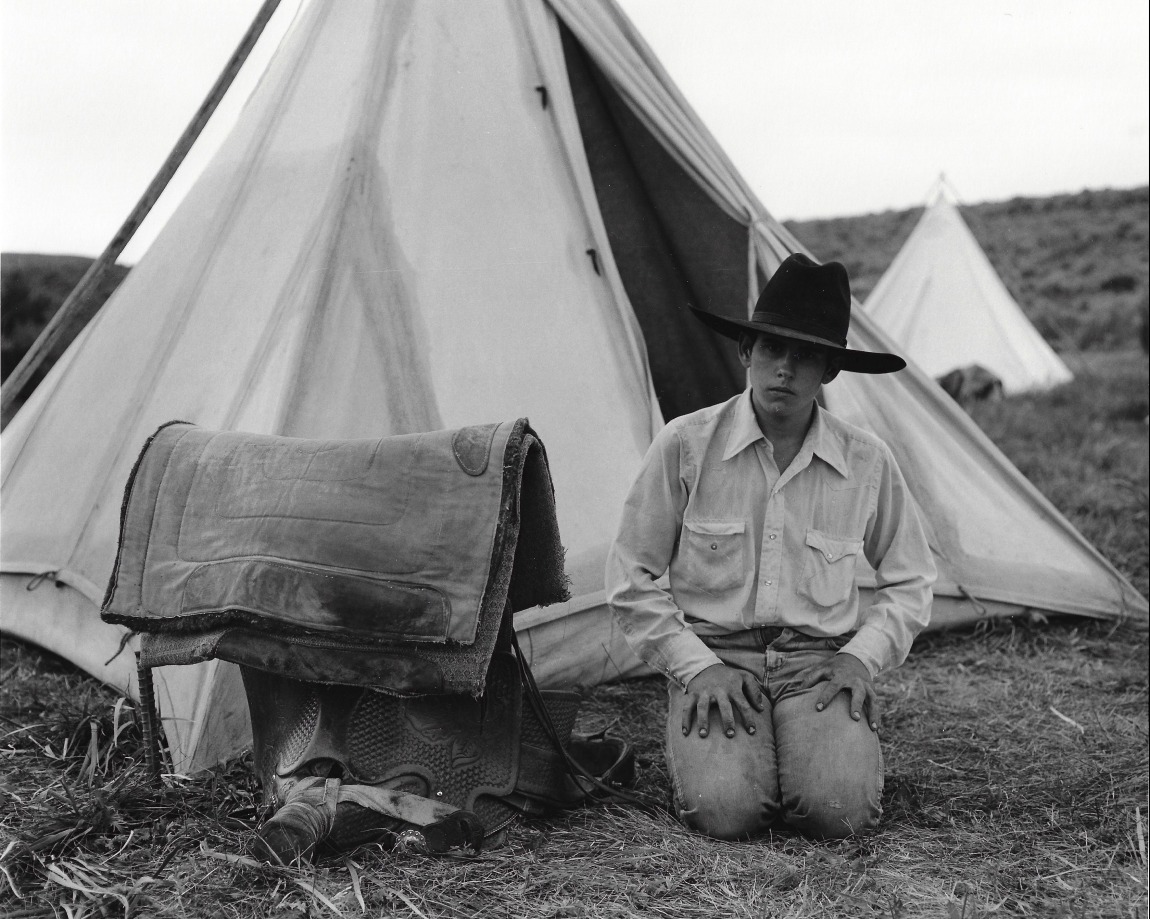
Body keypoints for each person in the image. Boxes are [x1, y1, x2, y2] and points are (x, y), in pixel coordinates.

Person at [605, 253, 936, 840]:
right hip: (717, 658)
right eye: (772, 350)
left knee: (837, 813)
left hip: (818, 666)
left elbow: (911, 579)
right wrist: (696, 669)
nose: (785, 369)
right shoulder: (685, 445)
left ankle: (811, 750)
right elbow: (629, 579)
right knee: (725, 813)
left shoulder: (866, 461)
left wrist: (861, 656)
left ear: (830, 370)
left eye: (806, 355)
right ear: (745, 353)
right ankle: (722, 744)